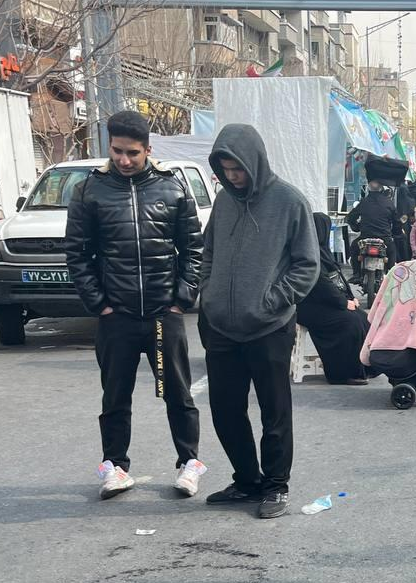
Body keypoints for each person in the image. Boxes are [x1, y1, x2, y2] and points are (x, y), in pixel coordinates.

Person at [66, 110, 205, 500]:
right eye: (117, 151)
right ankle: (114, 467)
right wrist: (99, 304)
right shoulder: (90, 191)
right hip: (117, 316)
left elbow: (194, 249)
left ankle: (189, 463)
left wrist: (181, 299)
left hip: (163, 315)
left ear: (148, 149)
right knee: (115, 396)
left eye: (132, 152)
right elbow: (77, 254)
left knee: (177, 393)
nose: (124, 160)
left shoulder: (172, 188)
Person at [199, 123, 319, 519]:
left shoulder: (289, 201)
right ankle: (247, 480)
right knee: (225, 410)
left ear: (256, 162)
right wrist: (209, 294)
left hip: (269, 327)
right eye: (225, 170)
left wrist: (273, 301)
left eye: (238, 169)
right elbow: (208, 252)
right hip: (221, 326)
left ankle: (275, 486)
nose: (233, 176)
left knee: (274, 411)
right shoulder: (223, 202)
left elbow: (307, 265)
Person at [296, 213, 371, 385]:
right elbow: (321, 284)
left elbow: (337, 277)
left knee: (363, 319)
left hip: (327, 303)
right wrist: (343, 302)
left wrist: (350, 297)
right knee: (349, 324)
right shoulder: (308, 253)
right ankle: (342, 373)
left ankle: (364, 367)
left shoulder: (322, 252)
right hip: (310, 306)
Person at [347, 180, 398, 284]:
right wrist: (394, 232)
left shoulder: (364, 202)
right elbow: (396, 221)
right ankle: (391, 276)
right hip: (384, 238)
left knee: (354, 247)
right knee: (392, 250)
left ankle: (356, 274)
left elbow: (351, 217)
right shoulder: (389, 203)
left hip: (365, 238)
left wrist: (357, 227)